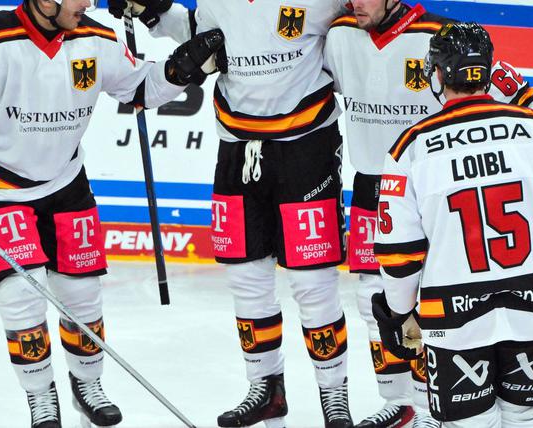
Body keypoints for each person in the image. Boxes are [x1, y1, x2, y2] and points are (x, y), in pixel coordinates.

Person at [0, 0, 223, 426]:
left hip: (66, 182)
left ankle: (87, 383)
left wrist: (181, 70)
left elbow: (140, 89)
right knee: (21, 297)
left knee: (83, 292)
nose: (89, 3)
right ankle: (40, 396)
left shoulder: (96, 39)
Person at [322, 2, 533, 426]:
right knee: (367, 297)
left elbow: (510, 83)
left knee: (404, 302)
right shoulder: (340, 32)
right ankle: (402, 399)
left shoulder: (438, 43)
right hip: (385, 186)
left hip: (428, 187)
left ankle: (430, 407)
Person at [110, 0, 355, 426]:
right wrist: (154, 10)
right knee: (246, 278)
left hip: (307, 147)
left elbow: (361, 30)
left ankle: (334, 397)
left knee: (313, 282)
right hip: (237, 146)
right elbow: (205, 36)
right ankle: (265, 389)